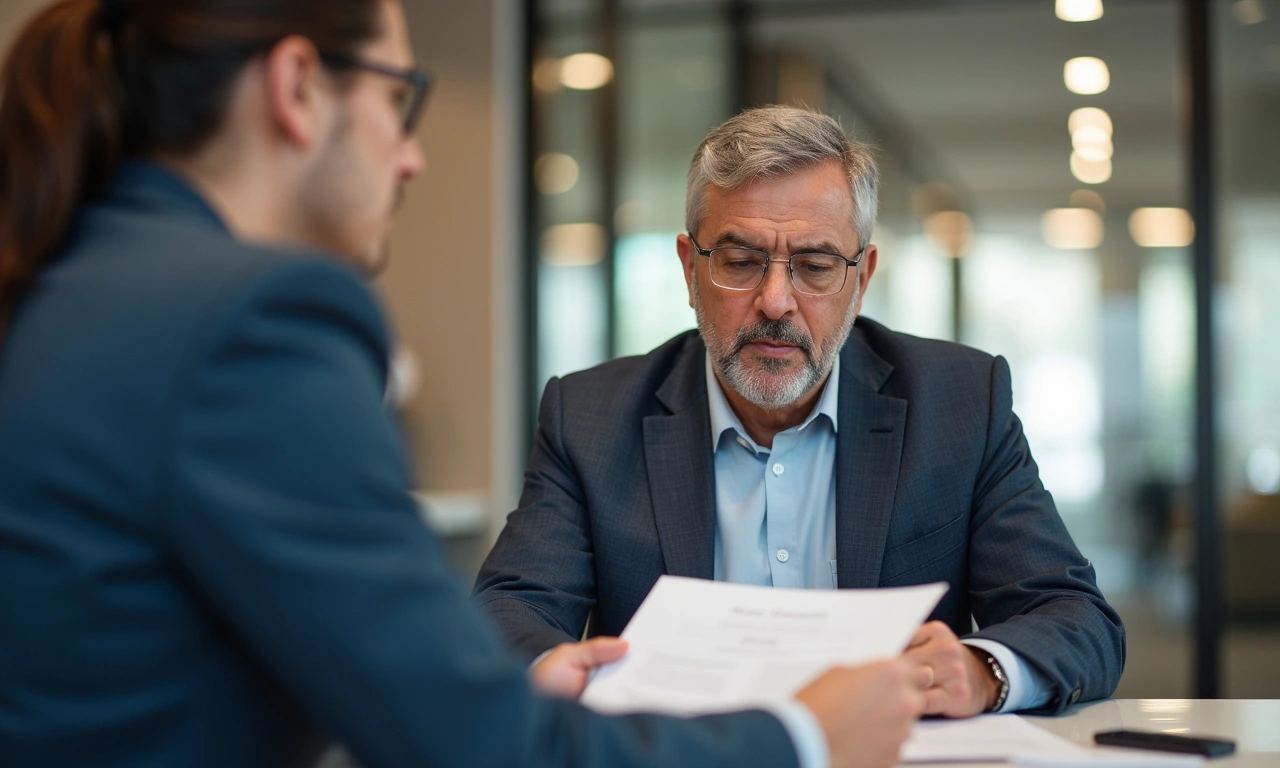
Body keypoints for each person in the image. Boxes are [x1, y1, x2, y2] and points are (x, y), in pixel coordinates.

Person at [0, 3, 927, 768]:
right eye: (402, 100)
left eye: (812, 264)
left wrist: (485, 691)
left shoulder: (66, 284)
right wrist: (804, 736)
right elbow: (468, 746)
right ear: (294, 90)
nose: (413, 158)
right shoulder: (252, 320)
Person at [474, 105, 1126, 718]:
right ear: (689, 269)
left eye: (814, 266)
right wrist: (554, 669)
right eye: (739, 262)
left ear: (861, 279)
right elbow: (509, 611)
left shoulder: (959, 405)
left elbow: (1075, 617)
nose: (776, 301)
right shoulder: (590, 418)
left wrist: (982, 670)